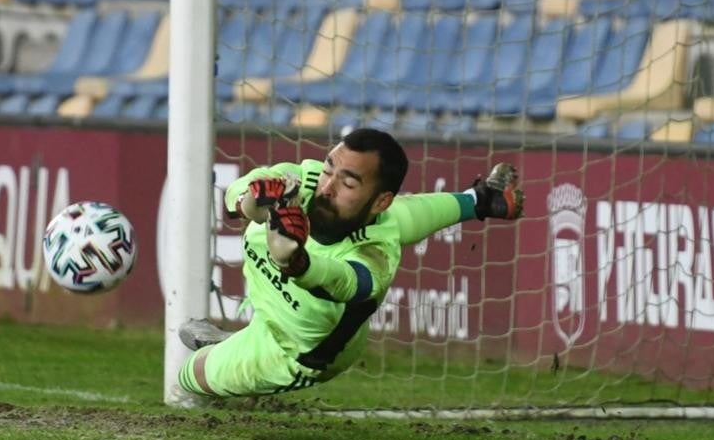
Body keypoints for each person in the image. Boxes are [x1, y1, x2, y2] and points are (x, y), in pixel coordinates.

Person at [177, 127, 525, 398]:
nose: (328, 186)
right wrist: (252, 205)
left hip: (296, 349)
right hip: (277, 301)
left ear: (379, 199)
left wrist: (297, 263)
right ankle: (483, 199)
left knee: (188, 375)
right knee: (400, 216)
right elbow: (237, 193)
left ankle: (228, 351)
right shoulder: (306, 181)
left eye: (348, 182)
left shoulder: (375, 256)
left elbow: (346, 282)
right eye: (330, 169)